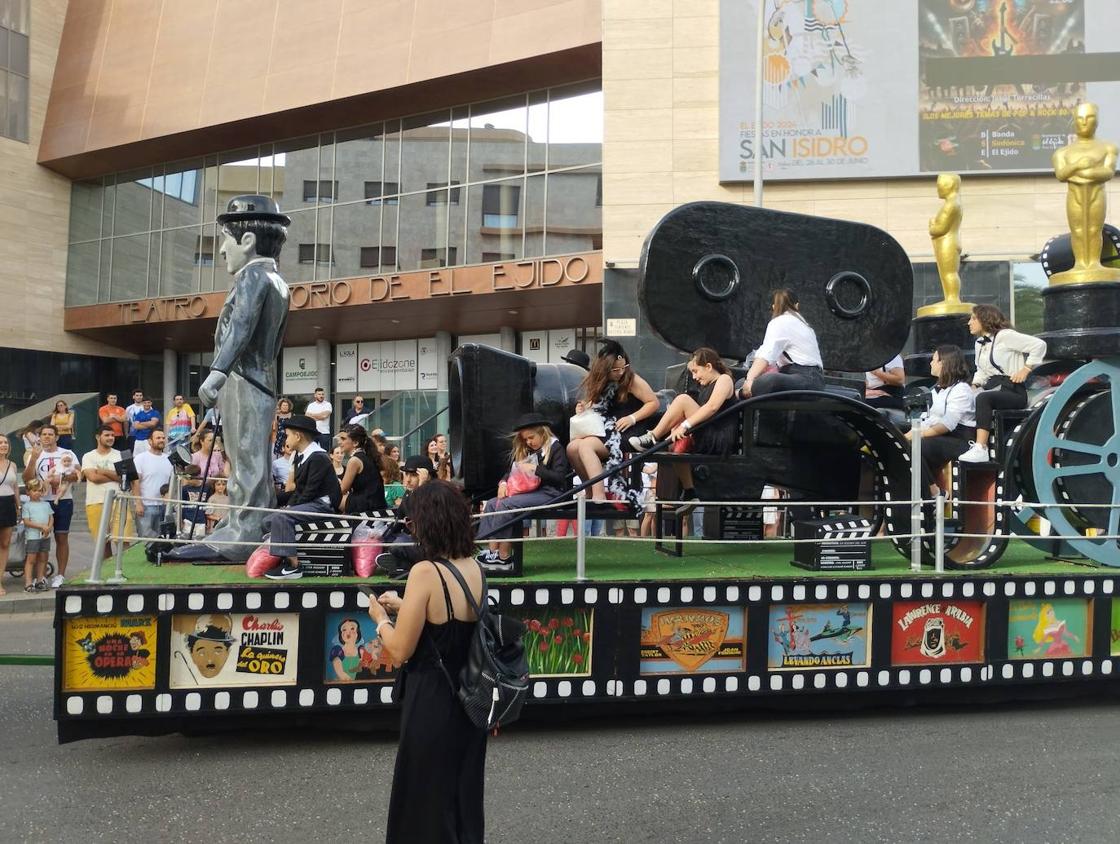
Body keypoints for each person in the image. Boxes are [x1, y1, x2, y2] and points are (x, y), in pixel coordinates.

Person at [366, 480, 487, 844]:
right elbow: (451, 622)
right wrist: (405, 608)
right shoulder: (476, 568)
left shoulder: (424, 572)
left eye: (413, 522)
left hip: (432, 699)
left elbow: (401, 649)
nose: (411, 528)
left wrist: (380, 619)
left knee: (422, 797)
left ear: (429, 523)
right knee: (460, 793)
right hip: (469, 700)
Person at [630, 347, 738, 514]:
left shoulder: (724, 379)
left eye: (696, 371)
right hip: (707, 431)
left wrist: (685, 425)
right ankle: (690, 491)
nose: (694, 377)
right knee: (676, 448)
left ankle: (652, 436)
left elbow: (711, 407)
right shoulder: (706, 386)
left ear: (708, 366)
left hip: (718, 435)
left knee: (682, 400)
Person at [567, 339, 659, 503]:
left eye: (623, 367)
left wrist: (632, 418)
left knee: (586, 445)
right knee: (572, 447)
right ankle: (589, 491)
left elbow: (654, 403)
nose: (620, 372)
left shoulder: (632, 380)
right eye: (615, 370)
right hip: (607, 430)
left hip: (629, 431)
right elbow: (595, 405)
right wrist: (583, 408)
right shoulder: (599, 382)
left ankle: (599, 495)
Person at [477, 413, 572, 570]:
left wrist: (536, 469)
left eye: (531, 437)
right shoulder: (529, 450)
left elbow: (559, 478)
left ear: (542, 432)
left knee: (507, 505)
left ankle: (503, 557)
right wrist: (502, 483)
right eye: (525, 439)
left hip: (552, 493)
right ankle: (491, 550)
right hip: (533, 493)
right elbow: (511, 472)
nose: (528, 442)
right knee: (493, 503)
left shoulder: (556, 448)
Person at [958, 305, 1047, 463]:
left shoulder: (1005, 336)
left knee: (983, 399)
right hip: (993, 386)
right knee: (965, 399)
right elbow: (982, 371)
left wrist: (1025, 369)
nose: (969, 323)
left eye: (973, 318)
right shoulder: (979, 343)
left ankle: (981, 447)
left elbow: (1039, 345)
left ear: (985, 319)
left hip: (1013, 389)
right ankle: (965, 443)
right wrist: (974, 385)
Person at [262, 415, 342, 580]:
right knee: (267, 521)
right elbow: (300, 490)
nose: (286, 438)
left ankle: (293, 565)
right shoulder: (301, 457)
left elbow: (310, 491)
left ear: (298, 436)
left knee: (281, 518)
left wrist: (290, 508)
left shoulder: (318, 457)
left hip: (322, 504)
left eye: (288, 435)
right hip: (311, 502)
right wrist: (289, 504)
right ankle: (280, 554)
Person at [904, 345, 976, 497]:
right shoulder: (935, 390)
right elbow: (926, 420)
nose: (930, 363)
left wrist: (918, 435)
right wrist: (905, 436)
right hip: (939, 437)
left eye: (934, 360)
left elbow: (947, 424)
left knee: (916, 446)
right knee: (901, 446)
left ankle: (935, 493)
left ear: (944, 363)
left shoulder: (961, 389)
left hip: (960, 440)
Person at [22, 424, 79, 588]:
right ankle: (39, 576)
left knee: (62, 537)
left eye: (50, 434)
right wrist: (33, 458)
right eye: (44, 434)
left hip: (63, 500)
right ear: (39, 437)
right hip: (40, 501)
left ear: (57, 437)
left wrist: (62, 479)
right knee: (39, 538)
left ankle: (60, 575)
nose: (47, 437)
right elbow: (27, 478)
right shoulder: (35, 454)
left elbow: (77, 474)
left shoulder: (67, 454)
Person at [741, 288, 825, 397]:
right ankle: (743, 391)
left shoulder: (779, 322)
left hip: (803, 379)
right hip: (815, 380)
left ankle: (740, 394)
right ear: (797, 306)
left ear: (774, 307)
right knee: (752, 382)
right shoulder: (807, 327)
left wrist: (749, 379)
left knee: (767, 381)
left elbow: (766, 354)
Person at [81, 424, 133, 561]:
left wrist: (103, 471)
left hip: (119, 501)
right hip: (96, 502)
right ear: (98, 437)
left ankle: (126, 570)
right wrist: (117, 474)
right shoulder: (88, 456)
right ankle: (104, 574)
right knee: (102, 543)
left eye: (112, 435)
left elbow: (128, 478)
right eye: (107, 435)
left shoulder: (122, 455)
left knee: (123, 540)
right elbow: (93, 478)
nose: (111, 438)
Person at [131, 430, 173, 538]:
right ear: (150, 441)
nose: (161, 440)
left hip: (164, 506)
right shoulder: (140, 458)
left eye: (163, 438)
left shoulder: (169, 459)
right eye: (158, 438)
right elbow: (136, 482)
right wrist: (138, 503)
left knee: (162, 540)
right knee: (146, 540)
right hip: (146, 505)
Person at [337, 424, 387, 515]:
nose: (339, 442)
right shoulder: (366, 456)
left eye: (343, 439)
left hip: (366, 504)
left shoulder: (354, 460)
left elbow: (342, 489)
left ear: (355, 443)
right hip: (374, 502)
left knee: (330, 498)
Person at [21, 479, 52, 593]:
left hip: (45, 536)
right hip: (33, 537)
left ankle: (40, 580)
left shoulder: (46, 504)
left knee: (43, 558)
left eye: (39, 491)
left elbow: (51, 517)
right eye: (34, 491)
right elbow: (27, 521)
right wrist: (41, 526)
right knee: (31, 559)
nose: (37, 493)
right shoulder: (27, 506)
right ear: (28, 492)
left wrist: (48, 527)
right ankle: (28, 582)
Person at [0, 435, 17, 596]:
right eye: (0, 443)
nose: (3, 445)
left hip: (8, 504)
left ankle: (0, 580)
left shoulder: (12, 464)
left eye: (5, 442)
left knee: (5, 544)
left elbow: (15, 487)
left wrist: (18, 505)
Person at [305, 386, 333, 451]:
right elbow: (307, 417)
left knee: (324, 452)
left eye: (322, 394)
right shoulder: (311, 405)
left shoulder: (327, 404)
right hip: (313, 432)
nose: (321, 396)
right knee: (312, 451)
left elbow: (324, 416)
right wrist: (320, 416)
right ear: (315, 395)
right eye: (319, 394)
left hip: (324, 433)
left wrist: (312, 415)